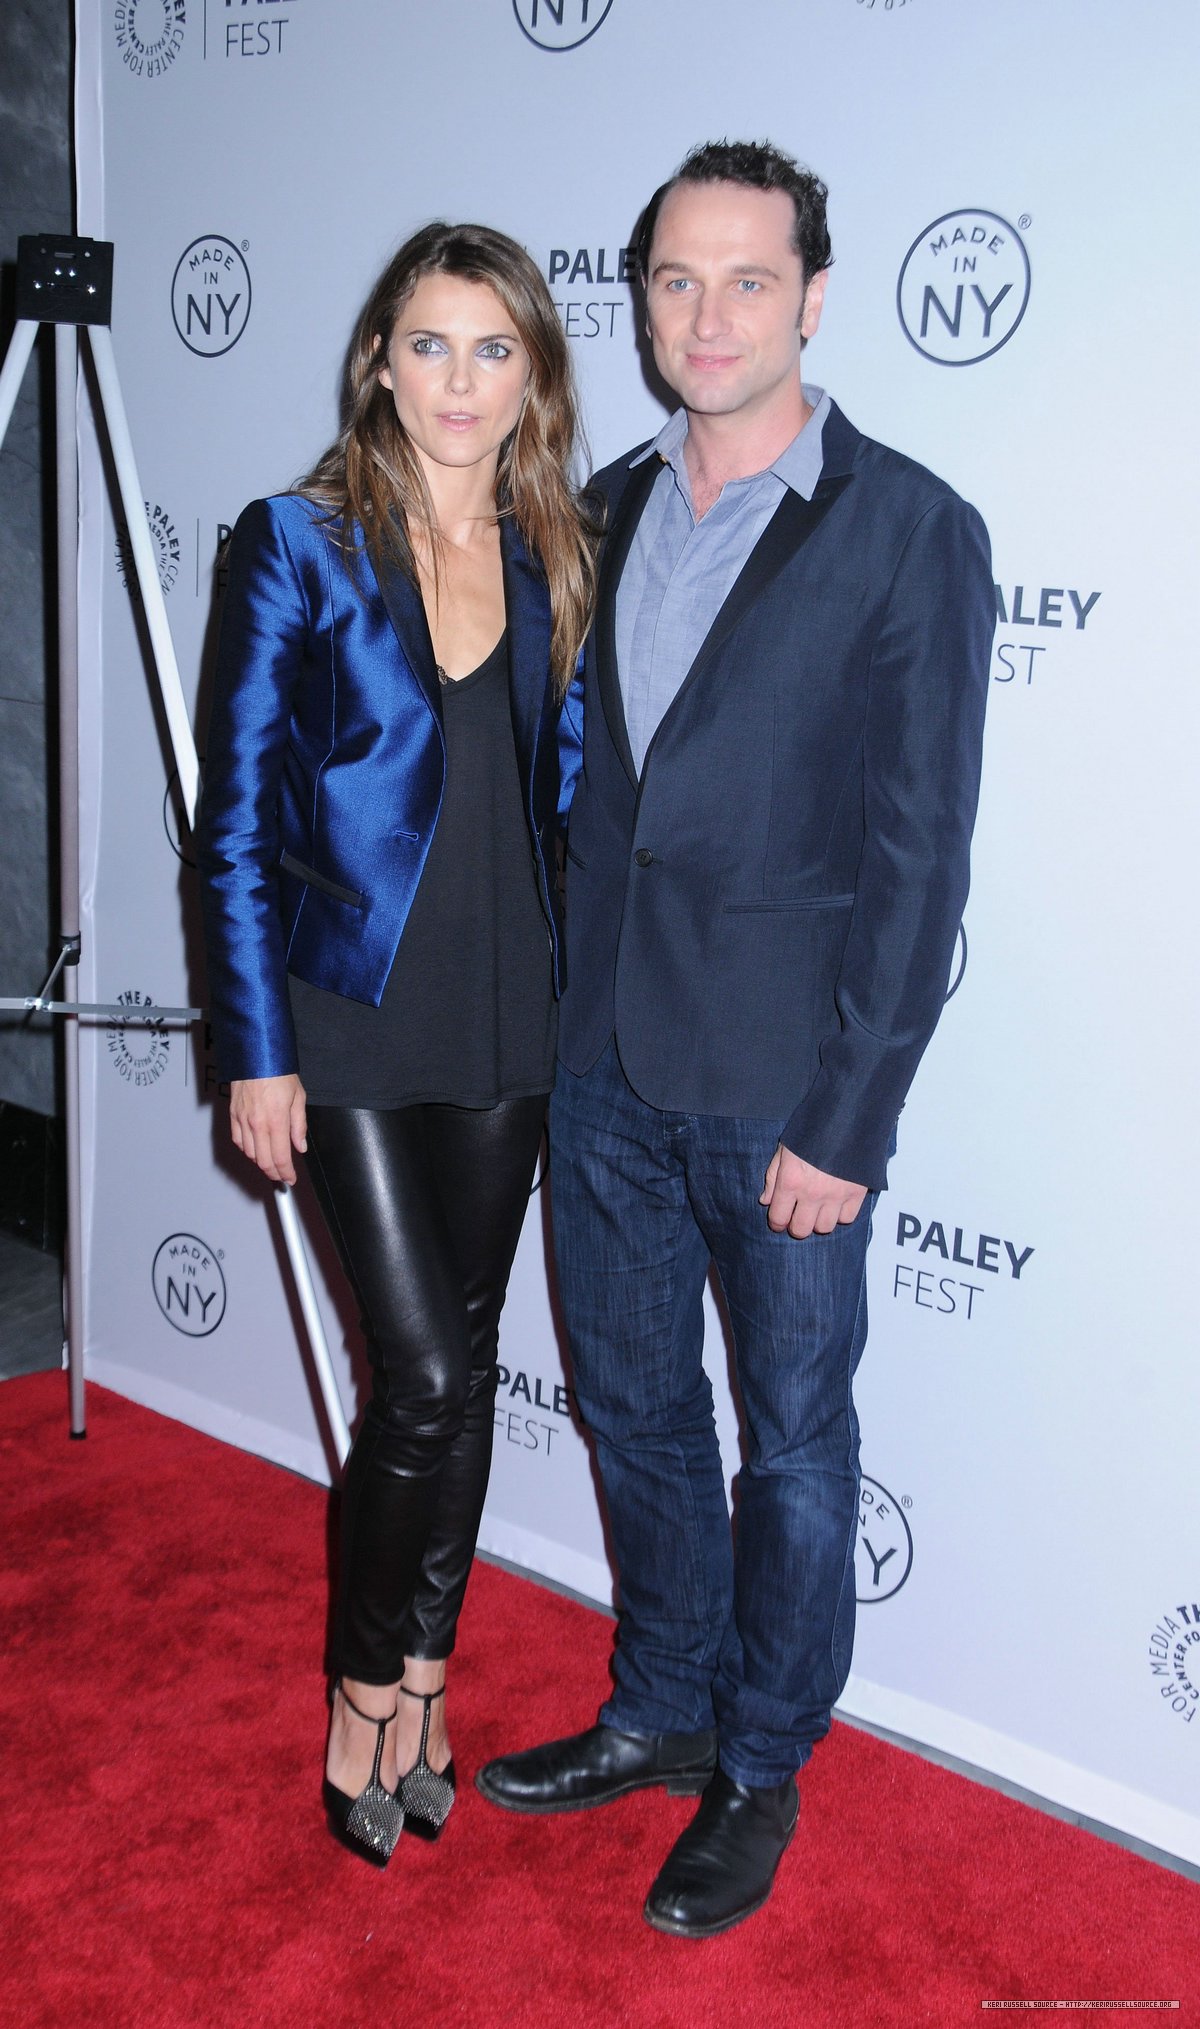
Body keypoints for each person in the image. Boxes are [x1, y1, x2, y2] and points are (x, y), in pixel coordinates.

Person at [476, 142, 994, 1937]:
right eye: (676, 282)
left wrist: (851, 1119)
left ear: (815, 295)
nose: (708, 315)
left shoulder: (912, 528)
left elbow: (921, 866)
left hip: (785, 1090)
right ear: (642, 301)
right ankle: (664, 1702)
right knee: (630, 1407)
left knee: (790, 1439)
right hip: (603, 1067)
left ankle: (763, 1760)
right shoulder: (600, 506)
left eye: (748, 280)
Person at [197, 222, 593, 1868]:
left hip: (511, 1016)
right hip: (347, 1021)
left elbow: (561, 799)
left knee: (470, 1368)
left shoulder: (558, 543)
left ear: (532, 377)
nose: (458, 380)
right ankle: (363, 1690)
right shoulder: (295, 540)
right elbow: (228, 820)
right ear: (379, 359)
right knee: (419, 1373)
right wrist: (254, 1046)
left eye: (492, 349)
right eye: (429, 344)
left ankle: (432, 1676)